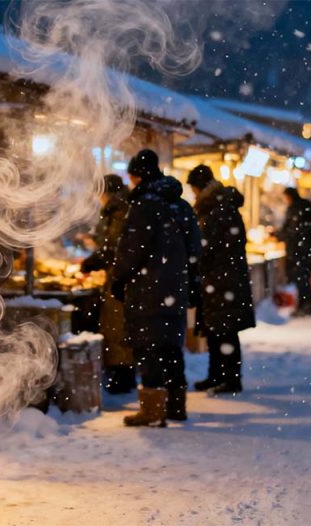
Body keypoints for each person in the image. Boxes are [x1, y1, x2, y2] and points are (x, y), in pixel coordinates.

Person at [112, 149, 201, 426]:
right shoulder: (182, 206)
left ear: (138, 176)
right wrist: (191, 281)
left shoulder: (144, 206)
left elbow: (131, 250)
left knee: (148, 349)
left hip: (148, 291)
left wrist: (119, 277)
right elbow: (196, 249)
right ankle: (176, 406)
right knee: (171, 348)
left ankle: (152, 412)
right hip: (175, 290)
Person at [186, 166, 256, 394]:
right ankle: (216, 375)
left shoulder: (217, 210)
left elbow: (206, 245)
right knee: (216, 328)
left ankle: (230, 379)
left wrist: (193, 251)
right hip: (222, 277)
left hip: (222, 278)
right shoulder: (220, 207)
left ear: (200, 187)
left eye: (194, 189)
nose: (194, 194)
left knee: (224, 329)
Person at [80, 174, 135, 394]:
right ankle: (124, 375)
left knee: (116, 327)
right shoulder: (124, 208)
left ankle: (121, 378)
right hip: (123, 276)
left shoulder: (119, 211)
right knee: (119, 327)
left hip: (120, 278)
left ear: (106, 193)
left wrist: (92, 261)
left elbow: (113, 247)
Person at [281, 187, 311, 317]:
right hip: (305, 247)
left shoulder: (294, 209)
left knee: (300, 278)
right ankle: (306, 304)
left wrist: (278, 234)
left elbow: (291, 230)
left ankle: (304, 305)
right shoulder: (306, 206)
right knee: (304, 277)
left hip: (297, 249)